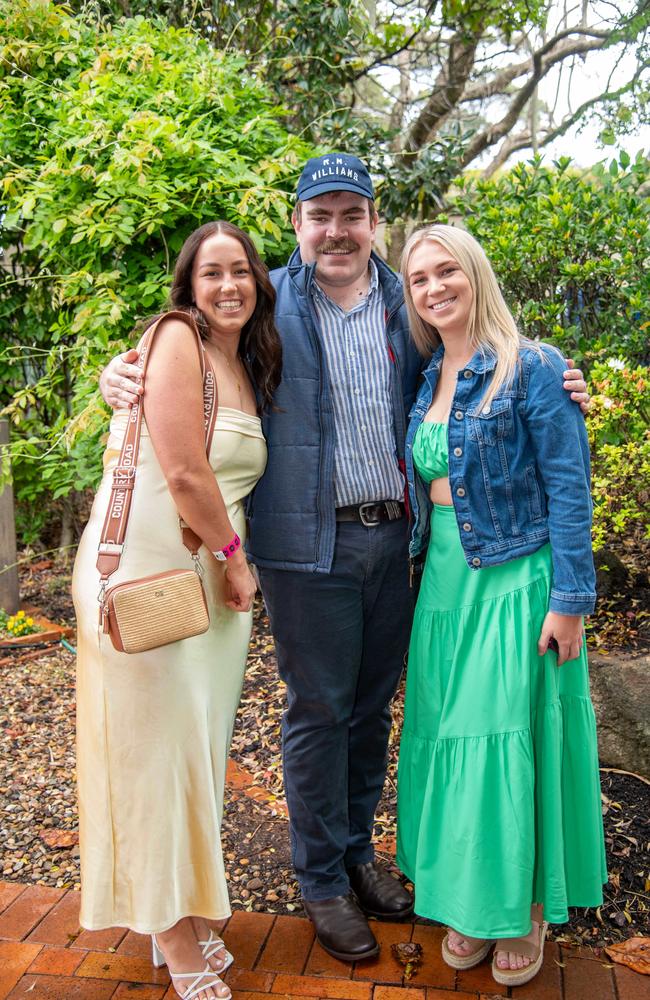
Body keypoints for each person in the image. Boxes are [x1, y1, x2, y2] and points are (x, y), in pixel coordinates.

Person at [98, 154, 591, 963]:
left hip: (399, 541)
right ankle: (322, 879)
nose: (336, 230)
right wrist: (122, 375)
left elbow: (480, 365)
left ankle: (360, 856)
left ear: (372, 221)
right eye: (318, 215)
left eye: (351, 214)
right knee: (319, 712)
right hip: (304, 547)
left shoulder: (407, 300)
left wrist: (555, 376)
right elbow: (189, 351)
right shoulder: (267, 302)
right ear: (297, 224)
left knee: (370, 711)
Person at [73, 220, 281, 999]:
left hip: (212, 583)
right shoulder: (176, 341)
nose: (228, 286)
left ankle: (183, 913)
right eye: (211, 274)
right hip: (153, 575)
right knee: (153, 758)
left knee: (192, 753)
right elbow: (186, 473)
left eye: (241, 273)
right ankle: (168, 929)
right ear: (188, 288)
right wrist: (237, 564)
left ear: (259, 282)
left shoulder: (243, 356)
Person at [396, 223, 606, 988]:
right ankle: (469, 898)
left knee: (504, 739)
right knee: (449, 733)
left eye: (446, 270)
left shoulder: (535, 367)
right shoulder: (425, 379)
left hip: (515, 578)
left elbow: (569, 488)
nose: (434, 287)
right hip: (444, 583)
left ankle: (520, 911)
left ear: (475, 273)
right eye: (419, 279)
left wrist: (571, 599)